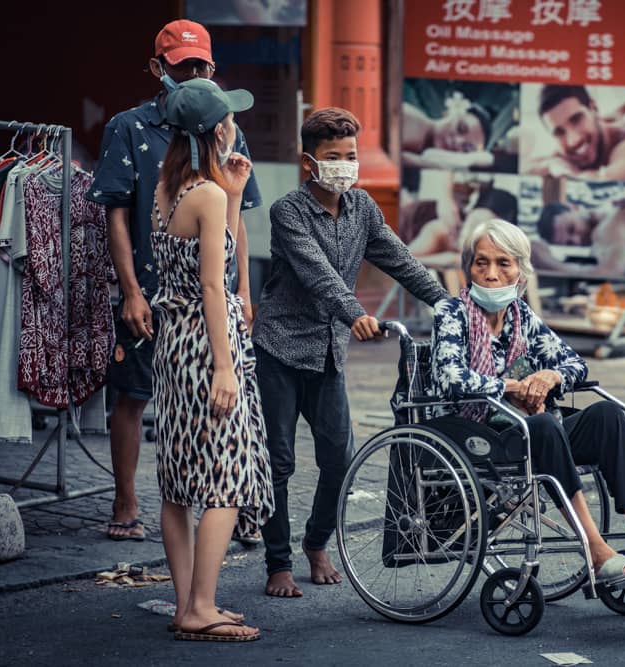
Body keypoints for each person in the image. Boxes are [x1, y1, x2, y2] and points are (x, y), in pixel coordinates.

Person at [431, 219, 625, 582]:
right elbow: (450, 378)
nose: (490, 274)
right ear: (468, 268)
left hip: (529, 429)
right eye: (481, 263)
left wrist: (551, 376)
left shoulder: (524, 319)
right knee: (545, 425)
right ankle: (597, 552)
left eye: (503, 263)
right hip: (479, 435)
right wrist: (513, 387)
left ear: (521, 272)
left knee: (609, 416)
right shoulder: (452, 314)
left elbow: (575, 364)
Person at [252, 107, 448, 597]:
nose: (344, 164)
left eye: (351, 155)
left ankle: (316, 544)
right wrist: (353, 311)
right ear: (309, 161)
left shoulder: (362, 209)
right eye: (333, 156)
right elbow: (317, 273)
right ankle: (277, 562)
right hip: (279, 348)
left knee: (339, 457)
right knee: (278, 462)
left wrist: (450, 304)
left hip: (329, 355)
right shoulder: (288, 212)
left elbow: (400, 260)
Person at [88, 19, 262, 543]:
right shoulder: (129, 126)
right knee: (135, 395)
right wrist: (132, 291)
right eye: (181, 66)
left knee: (216, 401)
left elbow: (240, 215)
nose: (191, 74)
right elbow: (116, 212)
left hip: (213, 296)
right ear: (157, 69)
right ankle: (126, 500)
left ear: (212, 68)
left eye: (200, 66)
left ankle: (219, 508)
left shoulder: (226, 124)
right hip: (154, 287)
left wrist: (244, 291)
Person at [150, 77, 273, 641]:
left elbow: (211, 256)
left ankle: (186, 606)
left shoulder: (170, 186)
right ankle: (201, 605)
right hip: (205, 343)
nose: (232, 125)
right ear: (213, 130)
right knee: (225, 475)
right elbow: (213, 287)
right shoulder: (210, 194)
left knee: (177, 481)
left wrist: (232, 186)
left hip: (172, 345)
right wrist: (226, 366)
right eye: (227, 119)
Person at [525, 85, 625, 181]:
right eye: (559, 132)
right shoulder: (561, 154)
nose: (573, 141)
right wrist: (553, 164)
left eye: (576, 119)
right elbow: (529, 167)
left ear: (594, 108)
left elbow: (610, 180)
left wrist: (566, 173)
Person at [531, 197, 625, 275]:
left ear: (574, 207)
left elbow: (612, 271)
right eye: (570, 243)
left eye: (571, 228)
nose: (577, 240)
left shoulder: (604, 230)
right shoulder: (610, 206)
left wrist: (549, 263)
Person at [402, 93, 496, 170]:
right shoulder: (407, 121)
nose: (457, 141)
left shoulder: (430, 159)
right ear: (452, 113)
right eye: (461, 128)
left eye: (466, 148)